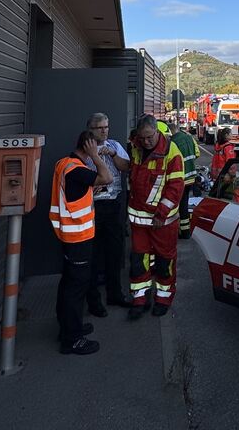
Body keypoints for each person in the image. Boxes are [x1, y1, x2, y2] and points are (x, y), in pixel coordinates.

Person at [49, 130, 112, 355]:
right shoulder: (77, 168)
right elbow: (107, 178)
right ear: (87, 146)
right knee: (76, 288)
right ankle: (72, 339)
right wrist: (95, 157)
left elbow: (73, 194)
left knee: (68, 284)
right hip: (77, 237)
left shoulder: (64, 163)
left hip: (69, 234)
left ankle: (68, 327)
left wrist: (88, 189)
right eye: (95, 147)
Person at [127, 114, 184, 319]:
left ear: (157, 131)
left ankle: (163, 298)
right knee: (138, 260)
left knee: (164, 261)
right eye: (142, 138)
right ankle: (139, 299)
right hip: (139, 220)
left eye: (150, 137)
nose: (146, 142)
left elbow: (175, 188)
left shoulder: (171, 153)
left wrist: (161, 213)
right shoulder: (135, 146)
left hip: (163, 222)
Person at [84, 112, 131, 317]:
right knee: (93, 255)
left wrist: (112, 154)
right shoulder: (85, 148)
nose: (104, 130)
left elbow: (126, 167)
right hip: (92, 208)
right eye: (99, 127)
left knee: (114, 252)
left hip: (113, 205)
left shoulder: (115, 145)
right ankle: (93, 301)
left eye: (106, 126)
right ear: (91, 130)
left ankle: (115, 294)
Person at [167, 121, 200, 239]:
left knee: (176, 206)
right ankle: (186, 231)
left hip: (180, 178)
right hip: (191, 177)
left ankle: (179, 231)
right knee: (184, 205)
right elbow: (197, 153)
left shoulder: (173, 142)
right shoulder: (189, 137)